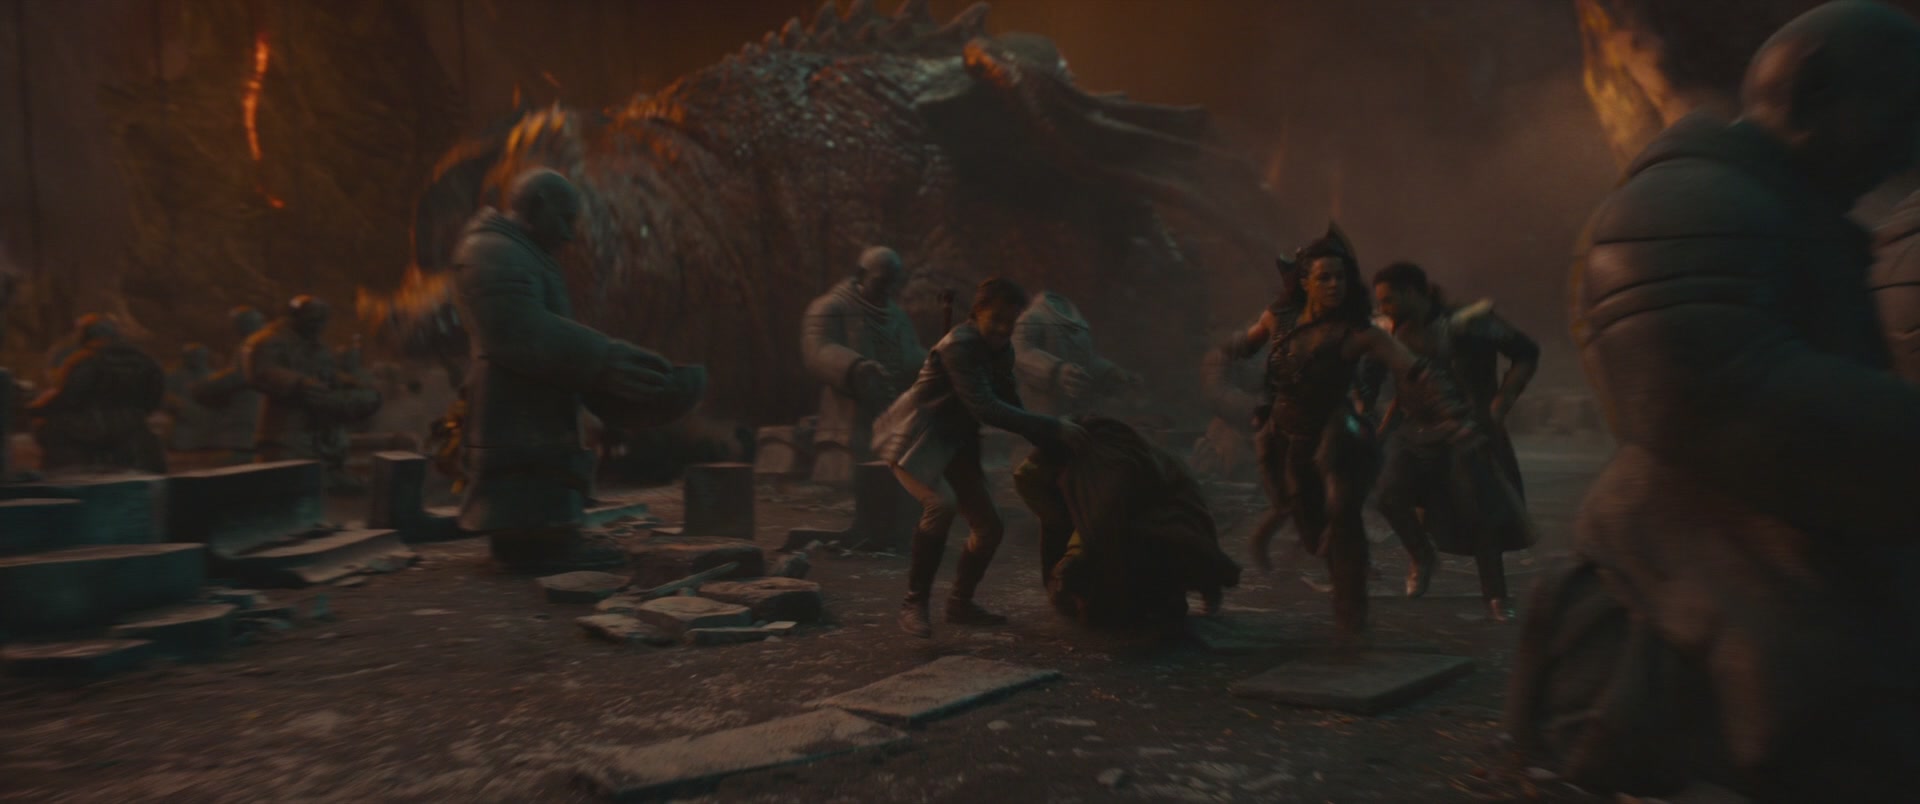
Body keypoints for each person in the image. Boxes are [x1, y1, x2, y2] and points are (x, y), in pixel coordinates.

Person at [1506, 3, 1920, 800]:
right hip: (1692, 592)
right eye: (1898, 114)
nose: (1906, 147)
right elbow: (1722, 397)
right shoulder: (1686, 206)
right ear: (1812, 90)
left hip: (1791, 571)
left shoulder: (1794, 214)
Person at [1217, 223, 1475, 637]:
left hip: (1336, 438)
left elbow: (1414, 369)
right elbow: (1240, 348)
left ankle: (1351, 621)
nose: (1335, 284)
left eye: (1340, 277)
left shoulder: (1358, 334)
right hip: (1285, 438)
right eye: (1325, 277)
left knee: (1343, 521)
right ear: (1305, 281)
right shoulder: (1277, 318)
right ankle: (1345, 589)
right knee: (1310, 528)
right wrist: (1221, 366)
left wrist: (1452, 414)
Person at [452, 167, 693, 573]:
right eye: (564, 219)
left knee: (541, 475)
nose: (568, 234)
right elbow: (515, 330)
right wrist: (604, 358)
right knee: (522, 475)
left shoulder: (522, 251)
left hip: (534, 404)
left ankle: (545, 540)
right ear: (538, 206)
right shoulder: (492, 251)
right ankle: (531, 549)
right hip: (510, 409)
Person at [872, 276, 1092, 638]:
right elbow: (987, 408)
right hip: (914, 440)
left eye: (1011, 321)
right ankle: (914, 603)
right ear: (977, 312)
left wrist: (1052, 439)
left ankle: (960, 604)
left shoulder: (1001, 351)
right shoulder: (958, 346)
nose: (1004, 328)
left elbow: (1011, 405)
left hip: (955, 444)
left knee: (989, 526)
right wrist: (1053, 427)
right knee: (941, 505)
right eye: (997, 318)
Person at [1370, 262, 1539, 621]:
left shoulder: (1470, 323)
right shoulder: (1392, 330)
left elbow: (1526, 352)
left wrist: (1501, 403)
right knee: (1387, 494)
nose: (1382, 308)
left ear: (1412, 293)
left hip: (1467, 430)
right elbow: (1402, 382)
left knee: (1480, 511)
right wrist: (1383, 427)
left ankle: (1495, 595)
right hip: (1415, 431)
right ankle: (1422, 557)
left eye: (1389, 300)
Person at [800, 246, 925, 485]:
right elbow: (817, 350)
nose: (886, 290)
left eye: (892, 283)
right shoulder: (830, 308)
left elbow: (910, 355)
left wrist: (935, 362)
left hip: (893, 419)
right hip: (847, 425)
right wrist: (855, 367)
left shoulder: (898, 317)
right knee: (850, 478)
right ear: (861, 275)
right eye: (880, 282)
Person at [242, 296, 382, 491]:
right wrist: (299, 383)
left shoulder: (316, 346)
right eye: (314, 319)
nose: (319, 325)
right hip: (286, 431)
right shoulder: (268, 340)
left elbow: (327, 373)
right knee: (288, 479)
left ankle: (330, 472)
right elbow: (262, 371)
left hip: (320, 431)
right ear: (297, 316)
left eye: (322, 320)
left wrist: (350, 384)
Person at [27, 314, 167, 475]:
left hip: (91, 427)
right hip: (133, 425)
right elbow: (154, 399)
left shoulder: (87, 360)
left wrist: (38, 409)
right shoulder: (145, 361)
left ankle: (65, 477)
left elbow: (69, 398)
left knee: (51, 431)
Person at [1011, 291, 1141, 416]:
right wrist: (1056, 372)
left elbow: (1086, 362)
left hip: (1076, 414)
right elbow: (1019, 353)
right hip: (1042, 414)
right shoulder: (1032, 318)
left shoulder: (1078, 324)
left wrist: (1110, 373)